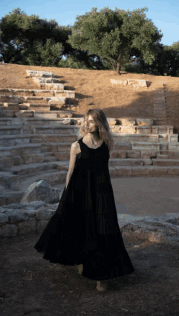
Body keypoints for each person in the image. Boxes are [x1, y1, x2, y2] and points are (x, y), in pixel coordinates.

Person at [34, 108, 135, 292]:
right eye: (85, 121)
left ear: (99, 123)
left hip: (103, 193)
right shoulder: (76, 146)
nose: (87, 125)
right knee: (82, 228)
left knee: (103, 230)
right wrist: (66, 197)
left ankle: (101, 276)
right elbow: (70, 173)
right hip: (80, 193)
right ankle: (83, 261)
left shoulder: (106, 143)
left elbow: (103, 171)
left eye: (91, 121)